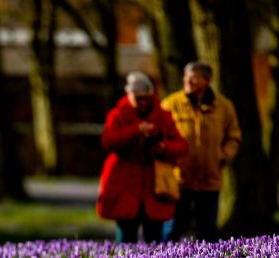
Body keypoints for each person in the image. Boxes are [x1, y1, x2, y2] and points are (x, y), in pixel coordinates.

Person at [97, 71, 188, 243]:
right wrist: (135, 131)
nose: (143, 102)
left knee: (154, 239)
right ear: (129, 95)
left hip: (155, 184)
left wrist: (163, 147)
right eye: (138, 98)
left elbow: (181, 146)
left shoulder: (163, 116)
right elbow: (108, 141)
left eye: (146, 98)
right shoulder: (117, 115)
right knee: (125, 238)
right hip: (124, 182)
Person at [161, 61, 242, 242]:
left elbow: (234, 136)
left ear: (207, 80)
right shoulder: (170, 104)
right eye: (186, 77)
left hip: (209, 179)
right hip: (179, 179)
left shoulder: (224, 107)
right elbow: (159, 135)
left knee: (207, 230)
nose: (188, 81)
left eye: (194, 78)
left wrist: (223, 156)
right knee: (172, 228)